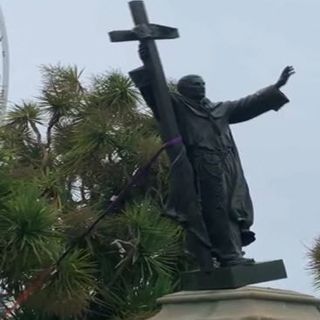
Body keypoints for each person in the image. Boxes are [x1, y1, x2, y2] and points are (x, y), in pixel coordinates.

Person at [130, 44, 295, 267]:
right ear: (183, 89)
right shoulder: (177, 105)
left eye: (202, 84)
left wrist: (276, 86)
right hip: (203, 163)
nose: (200, 87)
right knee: (215, 207)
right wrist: (148, 61)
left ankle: (233, 252)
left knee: (234, 206)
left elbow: (249, 103)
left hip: (228, 163)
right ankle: (228, 256)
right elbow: (156, 90)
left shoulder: (221, 109)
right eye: (195, 84)